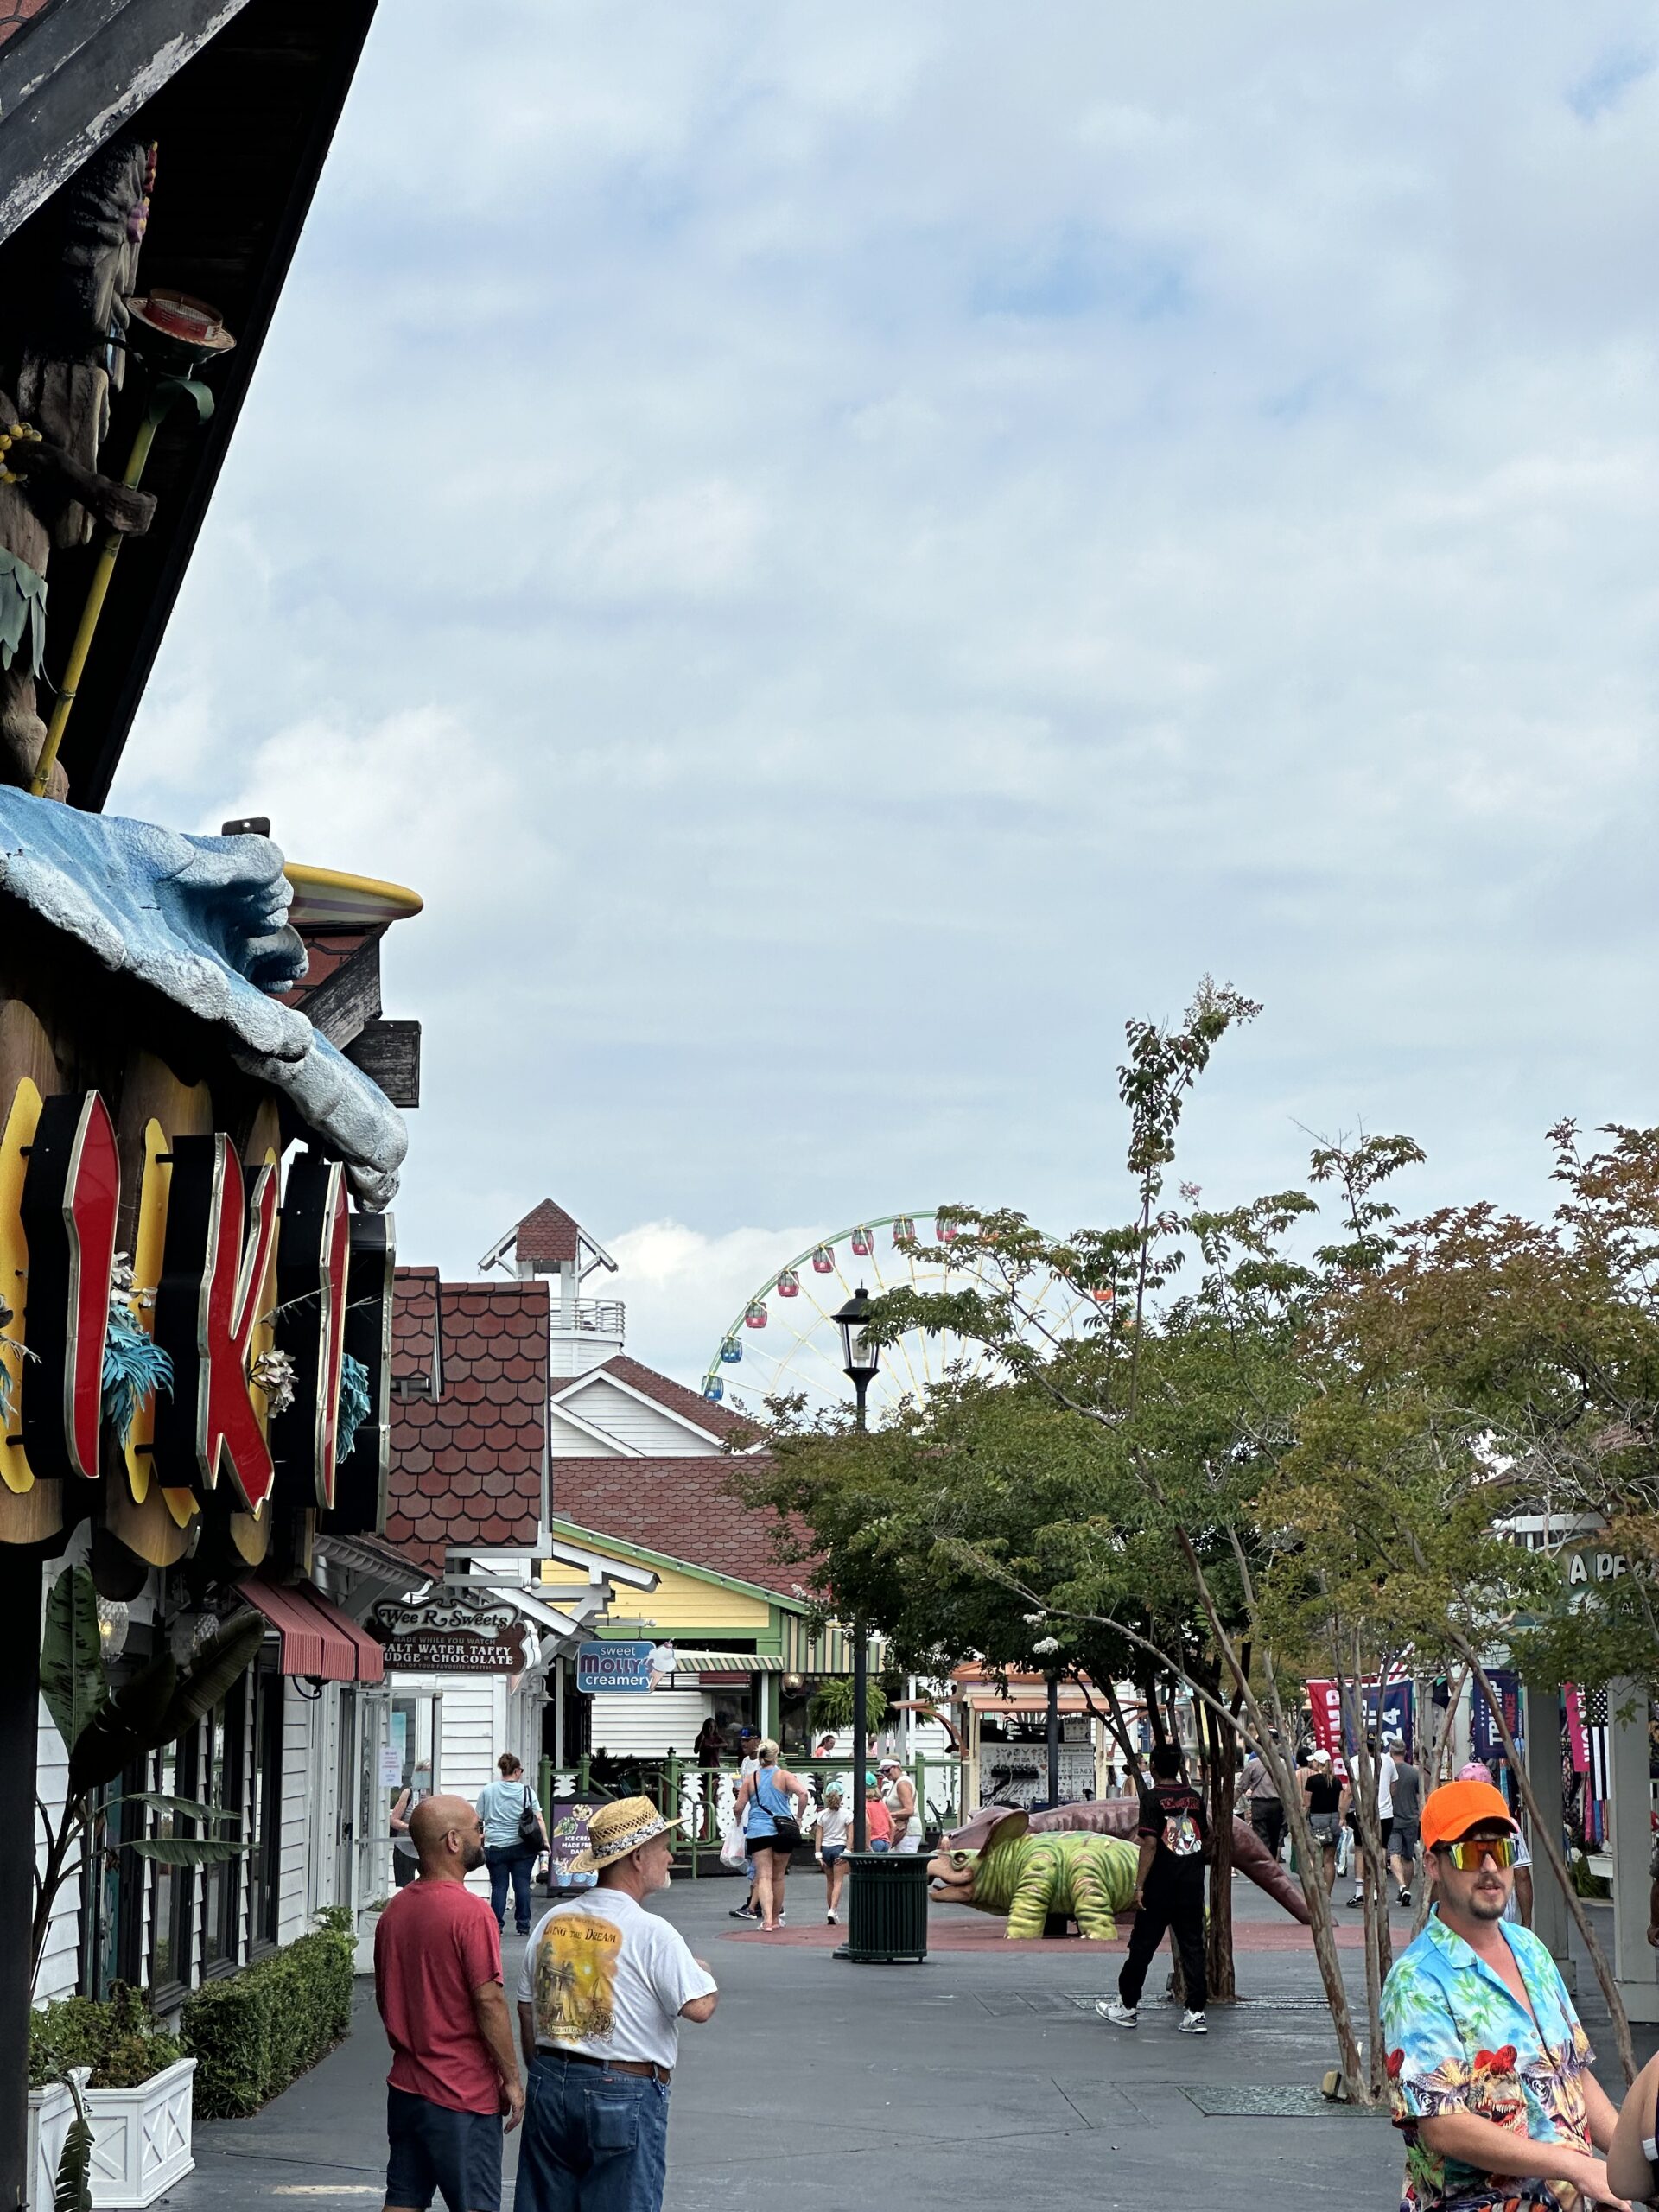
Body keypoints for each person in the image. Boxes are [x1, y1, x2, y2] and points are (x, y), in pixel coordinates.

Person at [1382, 1775, 1627, 2212]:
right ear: (1433, 1864)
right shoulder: (1417, 1982)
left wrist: (1633, 2167)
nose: (1491, 1867)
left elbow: (1574, 2075)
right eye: (1473, 1852)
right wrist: (1573, 2166)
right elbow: (1444, 2126)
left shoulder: (1529, 1949)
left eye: (1502, 1850)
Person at [515, 1797, 717, 2212]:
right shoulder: (652, 1931)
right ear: (639, 1857)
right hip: (622, 2090)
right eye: (663, 1846)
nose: (670, 1855)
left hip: (550, 2081)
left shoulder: (553, 1921)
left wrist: (542, 2068)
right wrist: (703, 1971)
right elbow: (699, 2007)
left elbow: (526, 2005)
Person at [374, 1794, 524, 2212]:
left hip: (406, 2088)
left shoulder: (395, 1910)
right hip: (461, 2093)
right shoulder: (472, 1914)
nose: (484, 1835)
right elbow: (489, 2000)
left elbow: (388, 1998)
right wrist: (511, 2078)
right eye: (479, 1828)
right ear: (454, 1841)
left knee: (403, 2200)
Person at [1096, 1743, 1209, 2036]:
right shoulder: (1194, 1799)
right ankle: (1195, 2013)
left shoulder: (1152, 1799)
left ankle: (1127, 2006)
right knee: (1192, 1946)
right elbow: (1207, 1837)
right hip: (1191, 1885)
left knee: (1142, 1946)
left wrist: (1139, 1885)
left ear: (1154, 1767)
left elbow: (1149, 1842)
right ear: (1179, 1766)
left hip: (1160, 1885)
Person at [732, 1738, 810, 1932]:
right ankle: (776, 1918)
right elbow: (804, 1794)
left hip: (758, 1830)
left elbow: (738, 1807)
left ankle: (766, 1921)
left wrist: (738, 1820)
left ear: (759, 1757)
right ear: (776, 1756)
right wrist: (798, 1818)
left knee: (764, 1877)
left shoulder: (751, 1779)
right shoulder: (784, 1776)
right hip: (782, 1830)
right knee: (779, 1877)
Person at [477, 1754, 549, 1937]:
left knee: (499, 1887)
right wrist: (545, 1842)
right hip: (522, 1846)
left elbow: (478, 1818)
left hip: (495, 1846)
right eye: (521, 1771)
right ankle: (523, 1925)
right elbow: (538, 1818)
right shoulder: (526, 1791)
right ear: (516, 1771)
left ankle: (496, 1925)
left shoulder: (488, 1791)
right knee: (522, 1885)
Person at [1348, 1734, 1398, 1908]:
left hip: (1363, 1813)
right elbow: (1393, 1788)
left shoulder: (1356, 1761)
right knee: (1381, 1850)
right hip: (1384, 1814)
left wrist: (1344, 1810)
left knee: (1361, 1850)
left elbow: (1351, 1789)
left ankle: (1360, 1891)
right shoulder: (1388, 1761)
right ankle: (1378, 1890)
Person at [728, 1731, 764, 1923]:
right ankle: (758, 1901)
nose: (744, 1744)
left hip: (757, 1817)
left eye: (747, 1740)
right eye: (742, 1740)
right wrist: (738, 1792)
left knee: (758, 1864)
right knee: (751, 1861)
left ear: (757, 1740)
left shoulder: (761, 1762)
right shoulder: (744, 1762)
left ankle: (755, 1904)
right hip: (747, 1816)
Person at [1303, 1747, 1347, 1896]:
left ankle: (1316, 1889)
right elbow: (1341, 1803)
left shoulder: (1312, 1781)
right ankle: (1327, 1893)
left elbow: (1307, 1803)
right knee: (1329, 1859)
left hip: (1317, 1820)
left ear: (1318, 1763)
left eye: (1314, 1761)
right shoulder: (1337, 1781)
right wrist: (1342, 1819)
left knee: (1314, 1855)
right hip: (1334, 1819)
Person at [1389, 1738, 1423, 1908]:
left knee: (1394, 1853)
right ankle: (1405, 1889)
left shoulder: (1386, 1771)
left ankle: (1402, 1887)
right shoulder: (1414, 1773)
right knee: (1408, 1857)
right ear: (1405, 1752)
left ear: (1390, 1751)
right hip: (1411, 1819)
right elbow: (1420, 1797)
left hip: (1392, 1818)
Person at [391, 1760, 434, 1891]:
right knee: (405, 1888)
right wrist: (409, 1827)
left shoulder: (436, 1795)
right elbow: (393, 1820)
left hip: (426, 1850)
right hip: (405, 1848)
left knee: (428, 1887)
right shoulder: (408, 1793)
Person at [1240, 1739, 1285, 1863]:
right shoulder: (1281, 1764)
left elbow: (1241, 1786)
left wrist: (1232, 1802)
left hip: (1259, 1805)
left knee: (1261, 1837)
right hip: (1277, 1805)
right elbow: (1288, 1786)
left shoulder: (1252, 1764)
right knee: (1275, 1837)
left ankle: (1265, 1864)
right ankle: (1272, 1863)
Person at [814, 1780, 851, 1924]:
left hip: (826, 1849)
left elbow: (819, 1836)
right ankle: (833, 1910)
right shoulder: (847, 1814)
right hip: (839, 1849)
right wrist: (847, 1851)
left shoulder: (822, 1815)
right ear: (841, 1797)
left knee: (829, 1882)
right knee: (838, 1882)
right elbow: (850, 1835)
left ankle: (831, 1909)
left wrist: (818, 1854)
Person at [878, 1758, 920, 1853]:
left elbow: (909, 1810)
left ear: (897, 1767)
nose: (885, 1773)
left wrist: (888, 1815)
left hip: (908, 1830)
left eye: (887, 1770)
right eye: (882, 1771)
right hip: (903, 1829)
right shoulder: (896, 1782)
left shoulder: (902, 1783)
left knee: (904, 1863)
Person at [863, 1771, 893, 1851]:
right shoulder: (881, 1804)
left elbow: (868, 1824)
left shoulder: (864, 1804)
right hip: (886, 1843)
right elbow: (893, 1825)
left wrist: (868, 1845)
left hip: (874, 1842)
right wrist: (890, 1845)